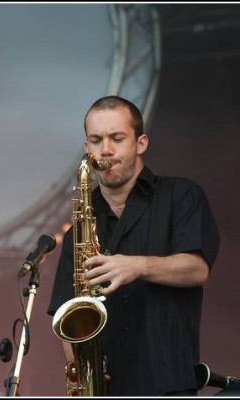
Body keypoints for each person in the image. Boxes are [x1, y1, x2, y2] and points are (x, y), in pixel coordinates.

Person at [47, 95, 220, 396]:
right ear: (87, 149)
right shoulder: (79, 228)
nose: (106, 150)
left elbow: (197, 269)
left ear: (140, 143)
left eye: (117, 138)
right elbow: (67, 309)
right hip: (105, 388)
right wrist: (82, 369)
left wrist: (136, 265)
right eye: (96, 140)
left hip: (166, 385)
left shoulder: (182, 196)